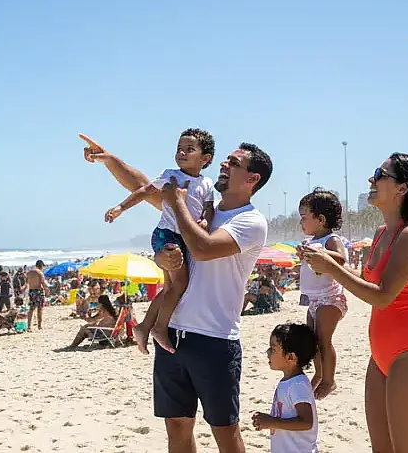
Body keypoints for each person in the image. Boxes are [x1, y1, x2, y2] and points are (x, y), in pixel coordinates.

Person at [81, 134, 271, 453]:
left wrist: (178, 204)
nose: (225, 162)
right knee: (178, 429)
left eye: (234, 163)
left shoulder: (250, 221)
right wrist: (109, 159)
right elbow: (142, 185)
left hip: (215, 338)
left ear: (252, 179)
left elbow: (202, 246)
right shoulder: (198, 203)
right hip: (173, 334)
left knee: (225, 431)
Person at [302, 153, 408, 453]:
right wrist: (327, 262)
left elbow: (382, 296)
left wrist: (331, 268)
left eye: (380, 173)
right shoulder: (382, 233)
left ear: (401, 189)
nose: (371, 179)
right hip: (380, 357)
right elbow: (368, 282)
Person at [103, 128, 216, 354]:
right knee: (180, 284)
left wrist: (205, 221)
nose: (182, 153)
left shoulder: (207, 183)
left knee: (170, 287)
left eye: (189, 150)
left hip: (184, 237)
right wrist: (120, 208)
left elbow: (209, 208)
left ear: (205, 159)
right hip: (166, 234)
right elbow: (144, 190)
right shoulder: (170, 175)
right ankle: (160, 327)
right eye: (179, 149)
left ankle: (143, 327)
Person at [294, 189, 347, 399]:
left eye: (304, 218)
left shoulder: (331, 240)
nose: (301, 223)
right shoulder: (312, 242)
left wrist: (319, 253)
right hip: (314, 300)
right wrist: (304, 254)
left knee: (324, 340)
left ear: (321, 219)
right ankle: (319, 373)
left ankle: (329, 380)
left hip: (331, 298)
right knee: (313, 341)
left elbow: (341, 259)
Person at [251, 323, 319, 453]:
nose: (268, 353)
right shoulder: (288, 382)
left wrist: (271, 422)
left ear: (290, 357)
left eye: (273, 349)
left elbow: (306, 422)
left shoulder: (298, 385)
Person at [23, 260, 50, 331]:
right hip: (38, 291)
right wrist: (47, 291)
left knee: (31, 309)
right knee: (40, 309)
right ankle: (39, 326)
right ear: (41, 265)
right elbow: (43, 283)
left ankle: (29, 327)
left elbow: (26, 284)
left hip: (31, 291)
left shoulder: (28, 273)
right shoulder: (39, 273)